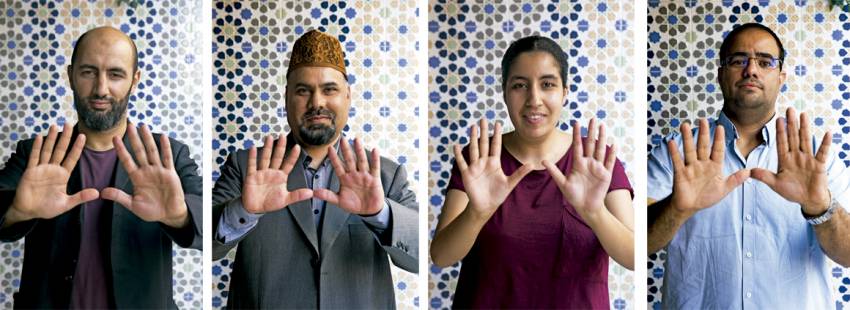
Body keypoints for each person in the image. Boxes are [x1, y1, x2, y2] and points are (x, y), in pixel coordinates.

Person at [648, 22, 850, 308]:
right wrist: (678, 208)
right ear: (720, 74)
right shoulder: (677, 152)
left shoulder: (817, 158)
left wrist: (821, 207)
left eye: (765, 62)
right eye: (738, 60)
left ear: (781, 77)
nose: (751, 70)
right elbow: (635, 243)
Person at [212, 29, 418, 309]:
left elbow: (420, 257)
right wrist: (245, 212)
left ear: (348, 95)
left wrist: (379, 214)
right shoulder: (246, 167)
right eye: (303, 90)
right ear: (286, 98)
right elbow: (205, 245)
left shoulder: (383, 174)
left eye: (329, 89)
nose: (317, 102)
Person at [0, 26, 202, 309]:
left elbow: (211, 225)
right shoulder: (34, 154)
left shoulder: (167, 156)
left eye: (115, 74)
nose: (101, 89)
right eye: (88, 72)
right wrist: (15, 212)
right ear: (70, 76)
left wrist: (181, 215)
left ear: (135, 80)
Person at [430, 35, 634, 309]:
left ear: (564, 92)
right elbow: (441, 256)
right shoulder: (479, 159)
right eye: (519, 85)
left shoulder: (597, 160)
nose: (533, 99)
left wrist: (594, 214)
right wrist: (476, 214)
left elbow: (634, 256)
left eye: (547, 84)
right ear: (504, 92)